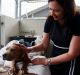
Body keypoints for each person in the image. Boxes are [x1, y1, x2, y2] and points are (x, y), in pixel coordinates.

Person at [25, 0, 80, 75]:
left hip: (71, 62)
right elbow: (44, 45)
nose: (52, 14)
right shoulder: (50, 20)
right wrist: (29, 49)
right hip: (55, 57)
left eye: (57, 10)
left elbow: (72, 54)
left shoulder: (77, 20)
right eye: (50, 9)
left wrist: (46, 61)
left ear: (67, 9)